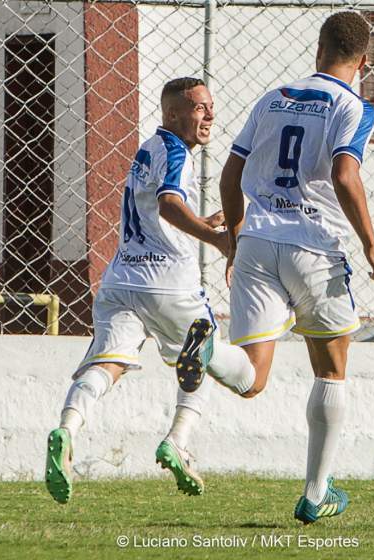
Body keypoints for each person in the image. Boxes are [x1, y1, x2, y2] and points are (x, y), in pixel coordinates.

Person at [175, 12, 374, 524]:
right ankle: (316, 494)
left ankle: (209, 350)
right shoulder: (354, 106)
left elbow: (233, 171)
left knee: (251, 377)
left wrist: (233, 238)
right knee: (332, 369)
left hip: (256, 242)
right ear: (363, 61)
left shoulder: (272, 98)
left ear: (318, 50)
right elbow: (344, 174)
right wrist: (371, 242)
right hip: (313, 246)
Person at [45, 77, 230, 504]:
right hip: (167, 282)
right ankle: (178, 441)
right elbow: (167, 202)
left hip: (121, 277)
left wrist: (202, 221)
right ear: (173, 114)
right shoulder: (178, 151)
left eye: (210, 106)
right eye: (200, 108)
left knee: (107, 365)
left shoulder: (150, 145)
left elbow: (156, 208)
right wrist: (211, 235)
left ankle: (66, 429)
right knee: (203, 349)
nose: (210, 115)